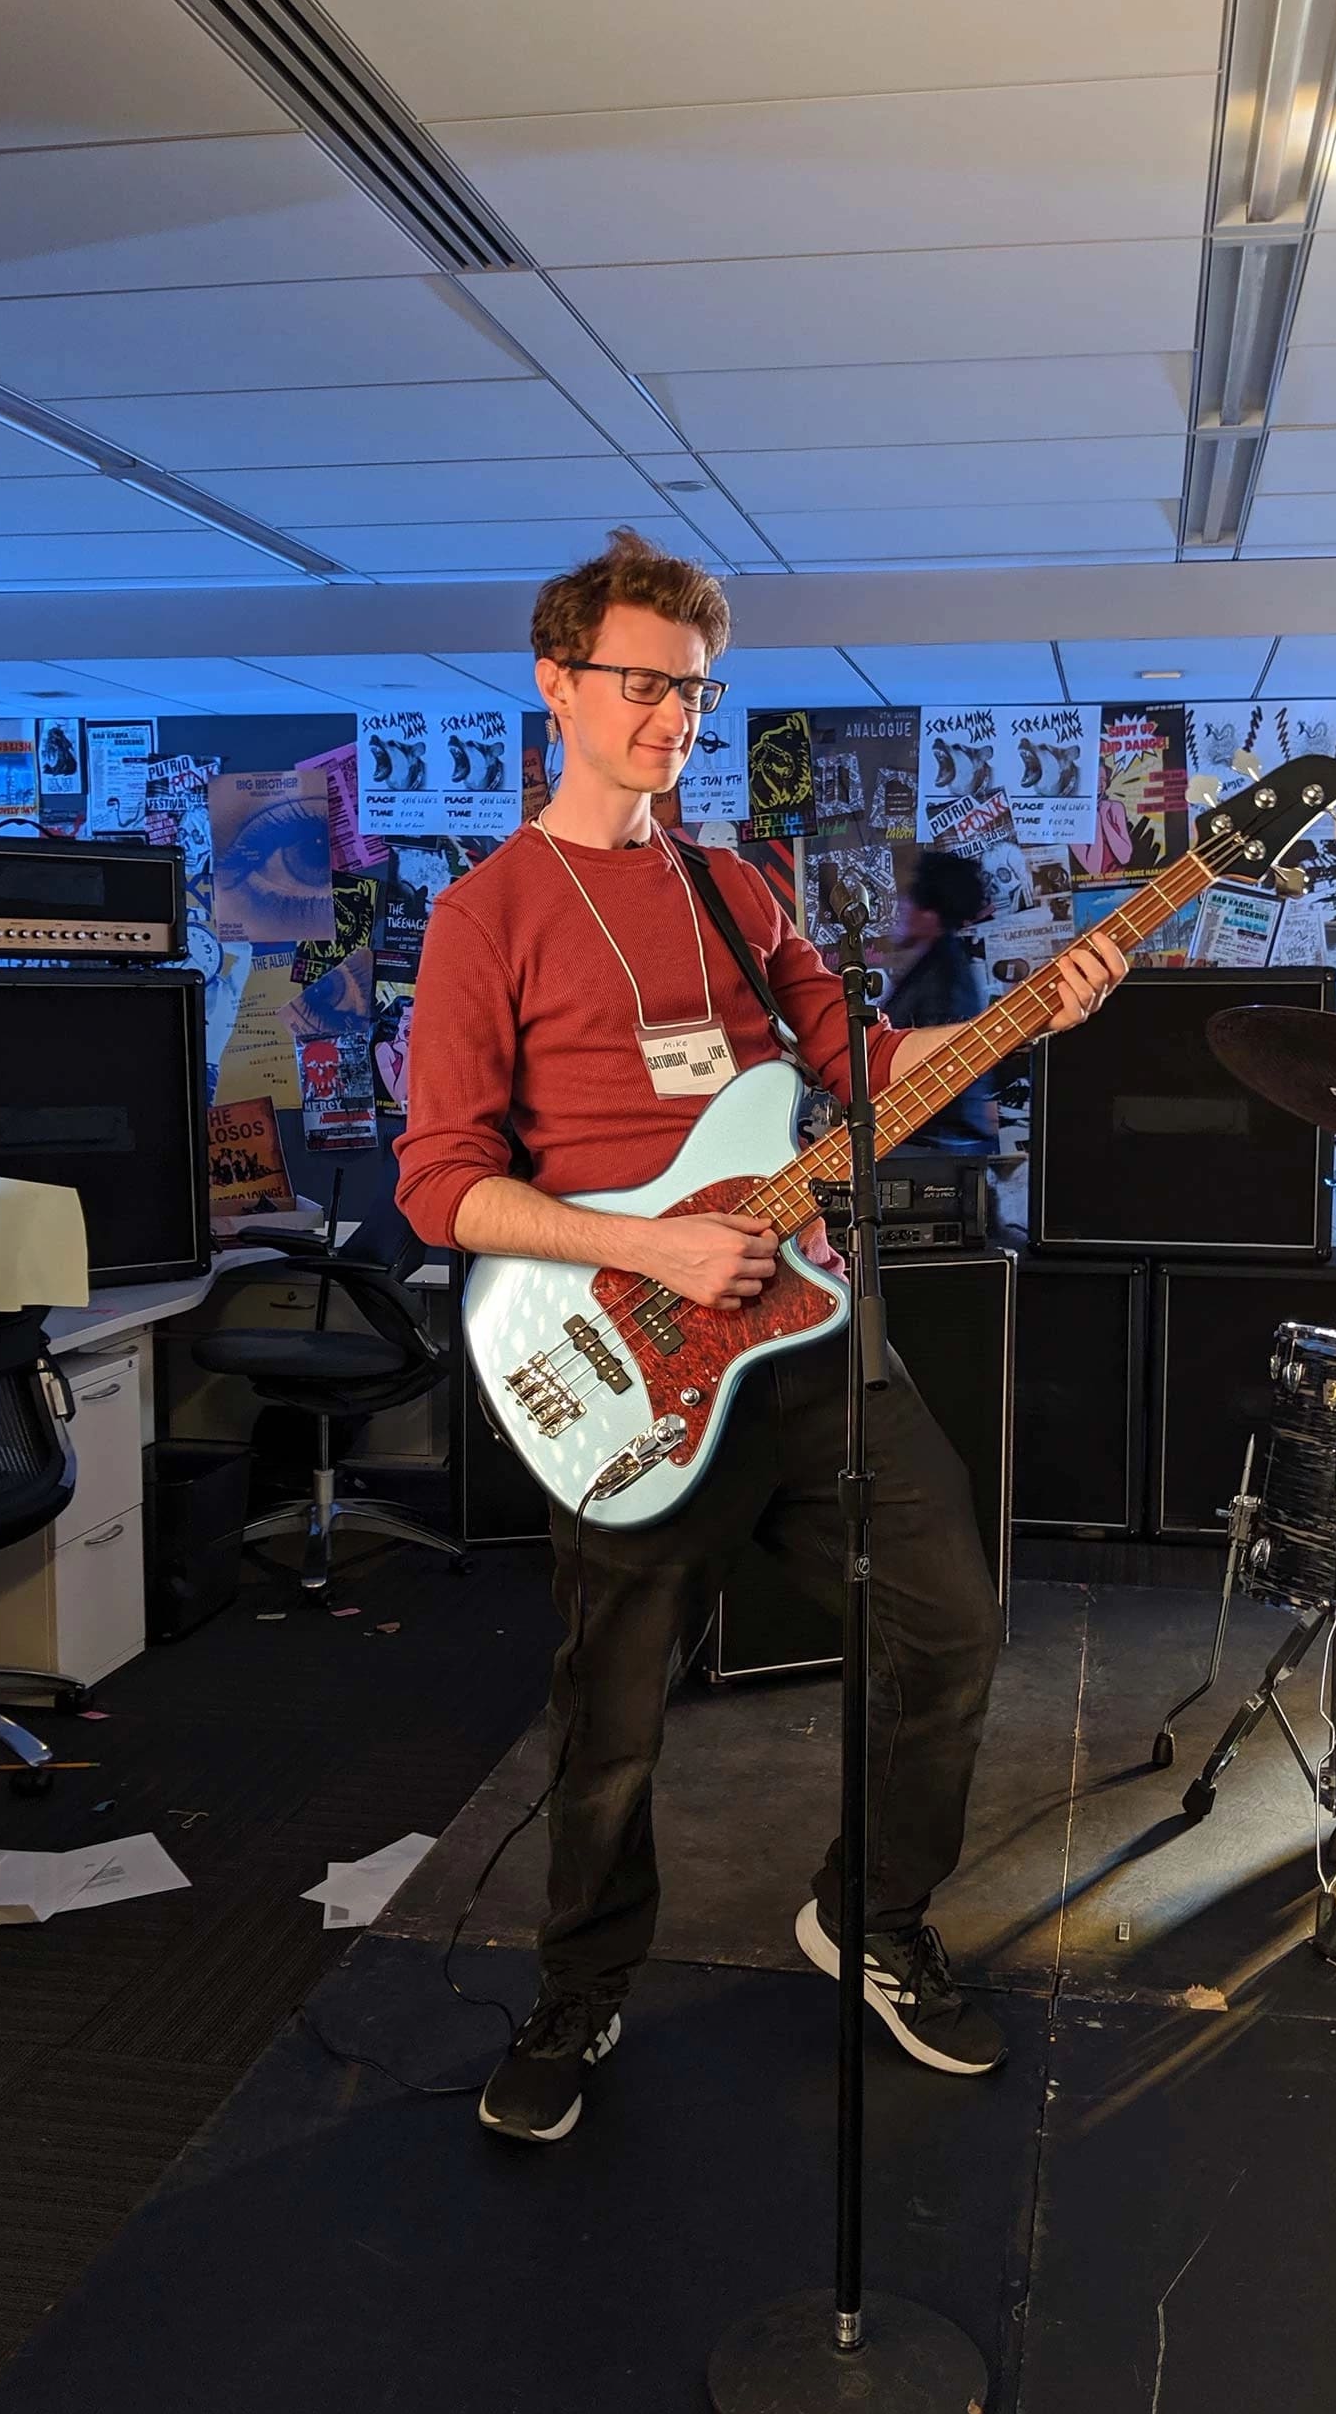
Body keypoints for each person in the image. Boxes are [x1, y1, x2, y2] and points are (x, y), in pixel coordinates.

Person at [397, 528, 1127, 2146]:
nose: (672, 716)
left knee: (950, 1623)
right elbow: (444, 1188)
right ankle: (578, 1996)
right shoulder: (486, 915)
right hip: (626, 1354)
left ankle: (867, 1914)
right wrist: (647, 1236)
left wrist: (1033, 1009)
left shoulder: (734, 890)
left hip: (807, 1337)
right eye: (643, 683)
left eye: (695, 690)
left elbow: (859, 1067)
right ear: (557, 683)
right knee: (615, 1722)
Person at [881, 846, 998, 1153]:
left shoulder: (944, 976)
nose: (901, 910)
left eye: (908, 900)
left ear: (930, 914)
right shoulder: (939, 963)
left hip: (935, 1153)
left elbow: (933, 1075)